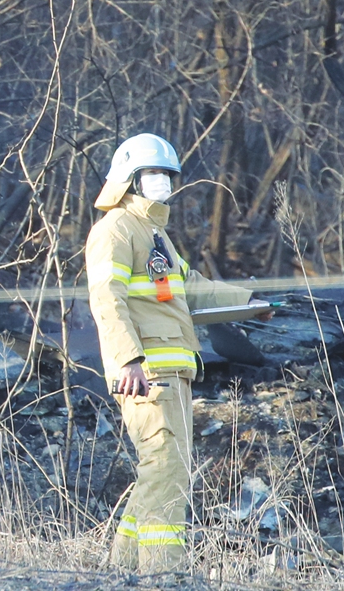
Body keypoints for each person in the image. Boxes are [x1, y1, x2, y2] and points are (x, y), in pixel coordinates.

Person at [85, 133, 271, 573]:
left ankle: (123, 571)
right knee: (165, 468)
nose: (163, 182)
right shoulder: (113, 230)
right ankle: (163, 574)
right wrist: (128, 360)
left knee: (162, 470)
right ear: (130, 179)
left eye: (167, 174)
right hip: (146, 374)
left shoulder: (155, 235)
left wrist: (250, 301)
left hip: (172, 374)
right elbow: (105, 300)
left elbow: (192, 287)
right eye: (153, 174)